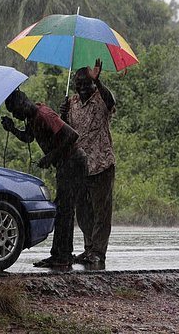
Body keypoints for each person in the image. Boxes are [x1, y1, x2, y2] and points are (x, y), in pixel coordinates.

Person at [1, 89, 87, 268]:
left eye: (16, 112)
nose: (16, 116)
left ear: (23, 104)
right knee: (63, 209)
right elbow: (28, 137)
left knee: (64, 210)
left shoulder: (44, 114)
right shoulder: (32, 118)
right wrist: (13, 129)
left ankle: (62, 256)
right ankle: (61, 255)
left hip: (74, 161)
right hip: (65, 163)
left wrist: (51, 157)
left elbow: (72, 135)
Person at [60, 58, 116, 265]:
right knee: (83, 211)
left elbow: (111, 101)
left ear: (94, 84)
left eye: (87, 84)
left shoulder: (101, 99)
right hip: (81, 165)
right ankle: (89, 248)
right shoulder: (72, 102)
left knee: (102, 211)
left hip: (102, 163)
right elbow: (66, 131)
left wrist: (99, 81)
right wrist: (62, 114)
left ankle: (99, 252)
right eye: (79, 84)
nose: (83, 88)